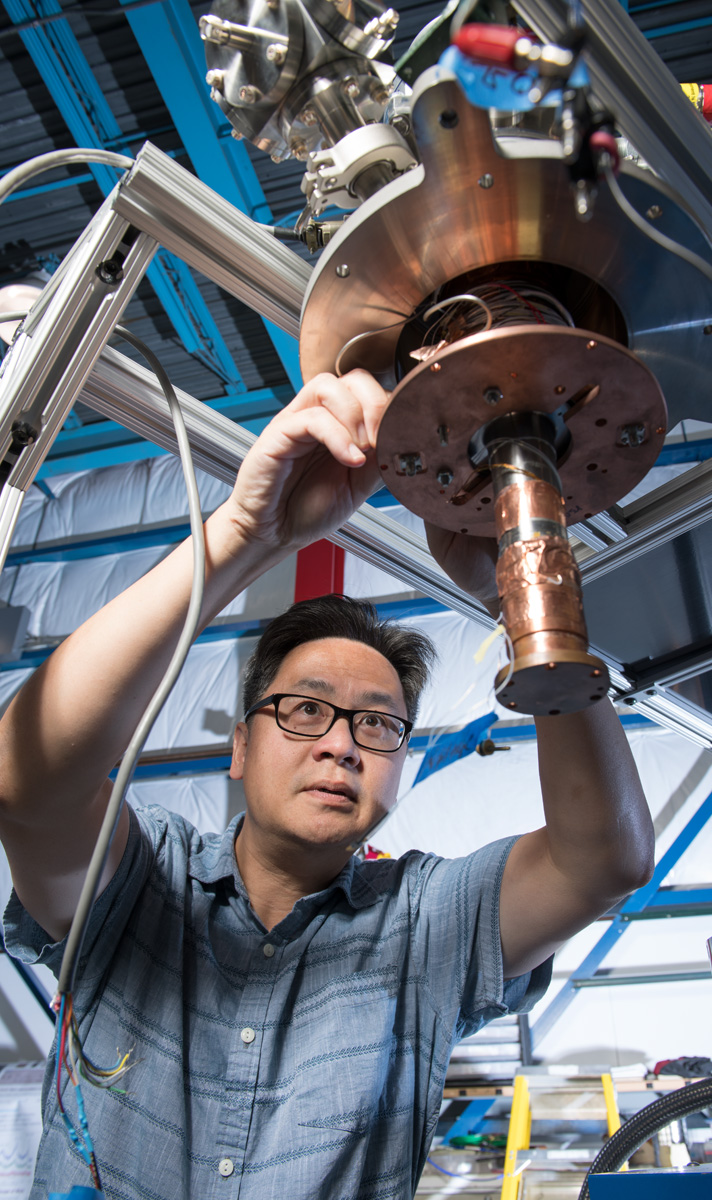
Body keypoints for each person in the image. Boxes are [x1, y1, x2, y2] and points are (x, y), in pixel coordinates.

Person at [0, 370, 654, 1200]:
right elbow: (28, 780)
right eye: (306, 710)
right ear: (239, 746)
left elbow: (603, 860)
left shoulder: (425, 923)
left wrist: (516, 602)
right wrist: (245, 532)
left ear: (401, 763)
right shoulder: (141, 878)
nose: (342, 745)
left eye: (376, 724)